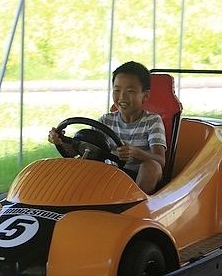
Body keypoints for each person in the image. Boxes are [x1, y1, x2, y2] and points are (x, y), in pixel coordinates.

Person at [48, 61, 166, 194]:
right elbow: (82, 151)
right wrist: (61, 141)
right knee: (84, 162)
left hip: (139, 179)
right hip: (110, 177)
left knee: (151, 166)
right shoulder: (106, 120)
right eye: (117, 90)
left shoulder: (152, 121)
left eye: (130, 91)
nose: (122, 97)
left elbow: (160, 161)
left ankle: (137, 206)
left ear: (145, 96)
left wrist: (135, 153)